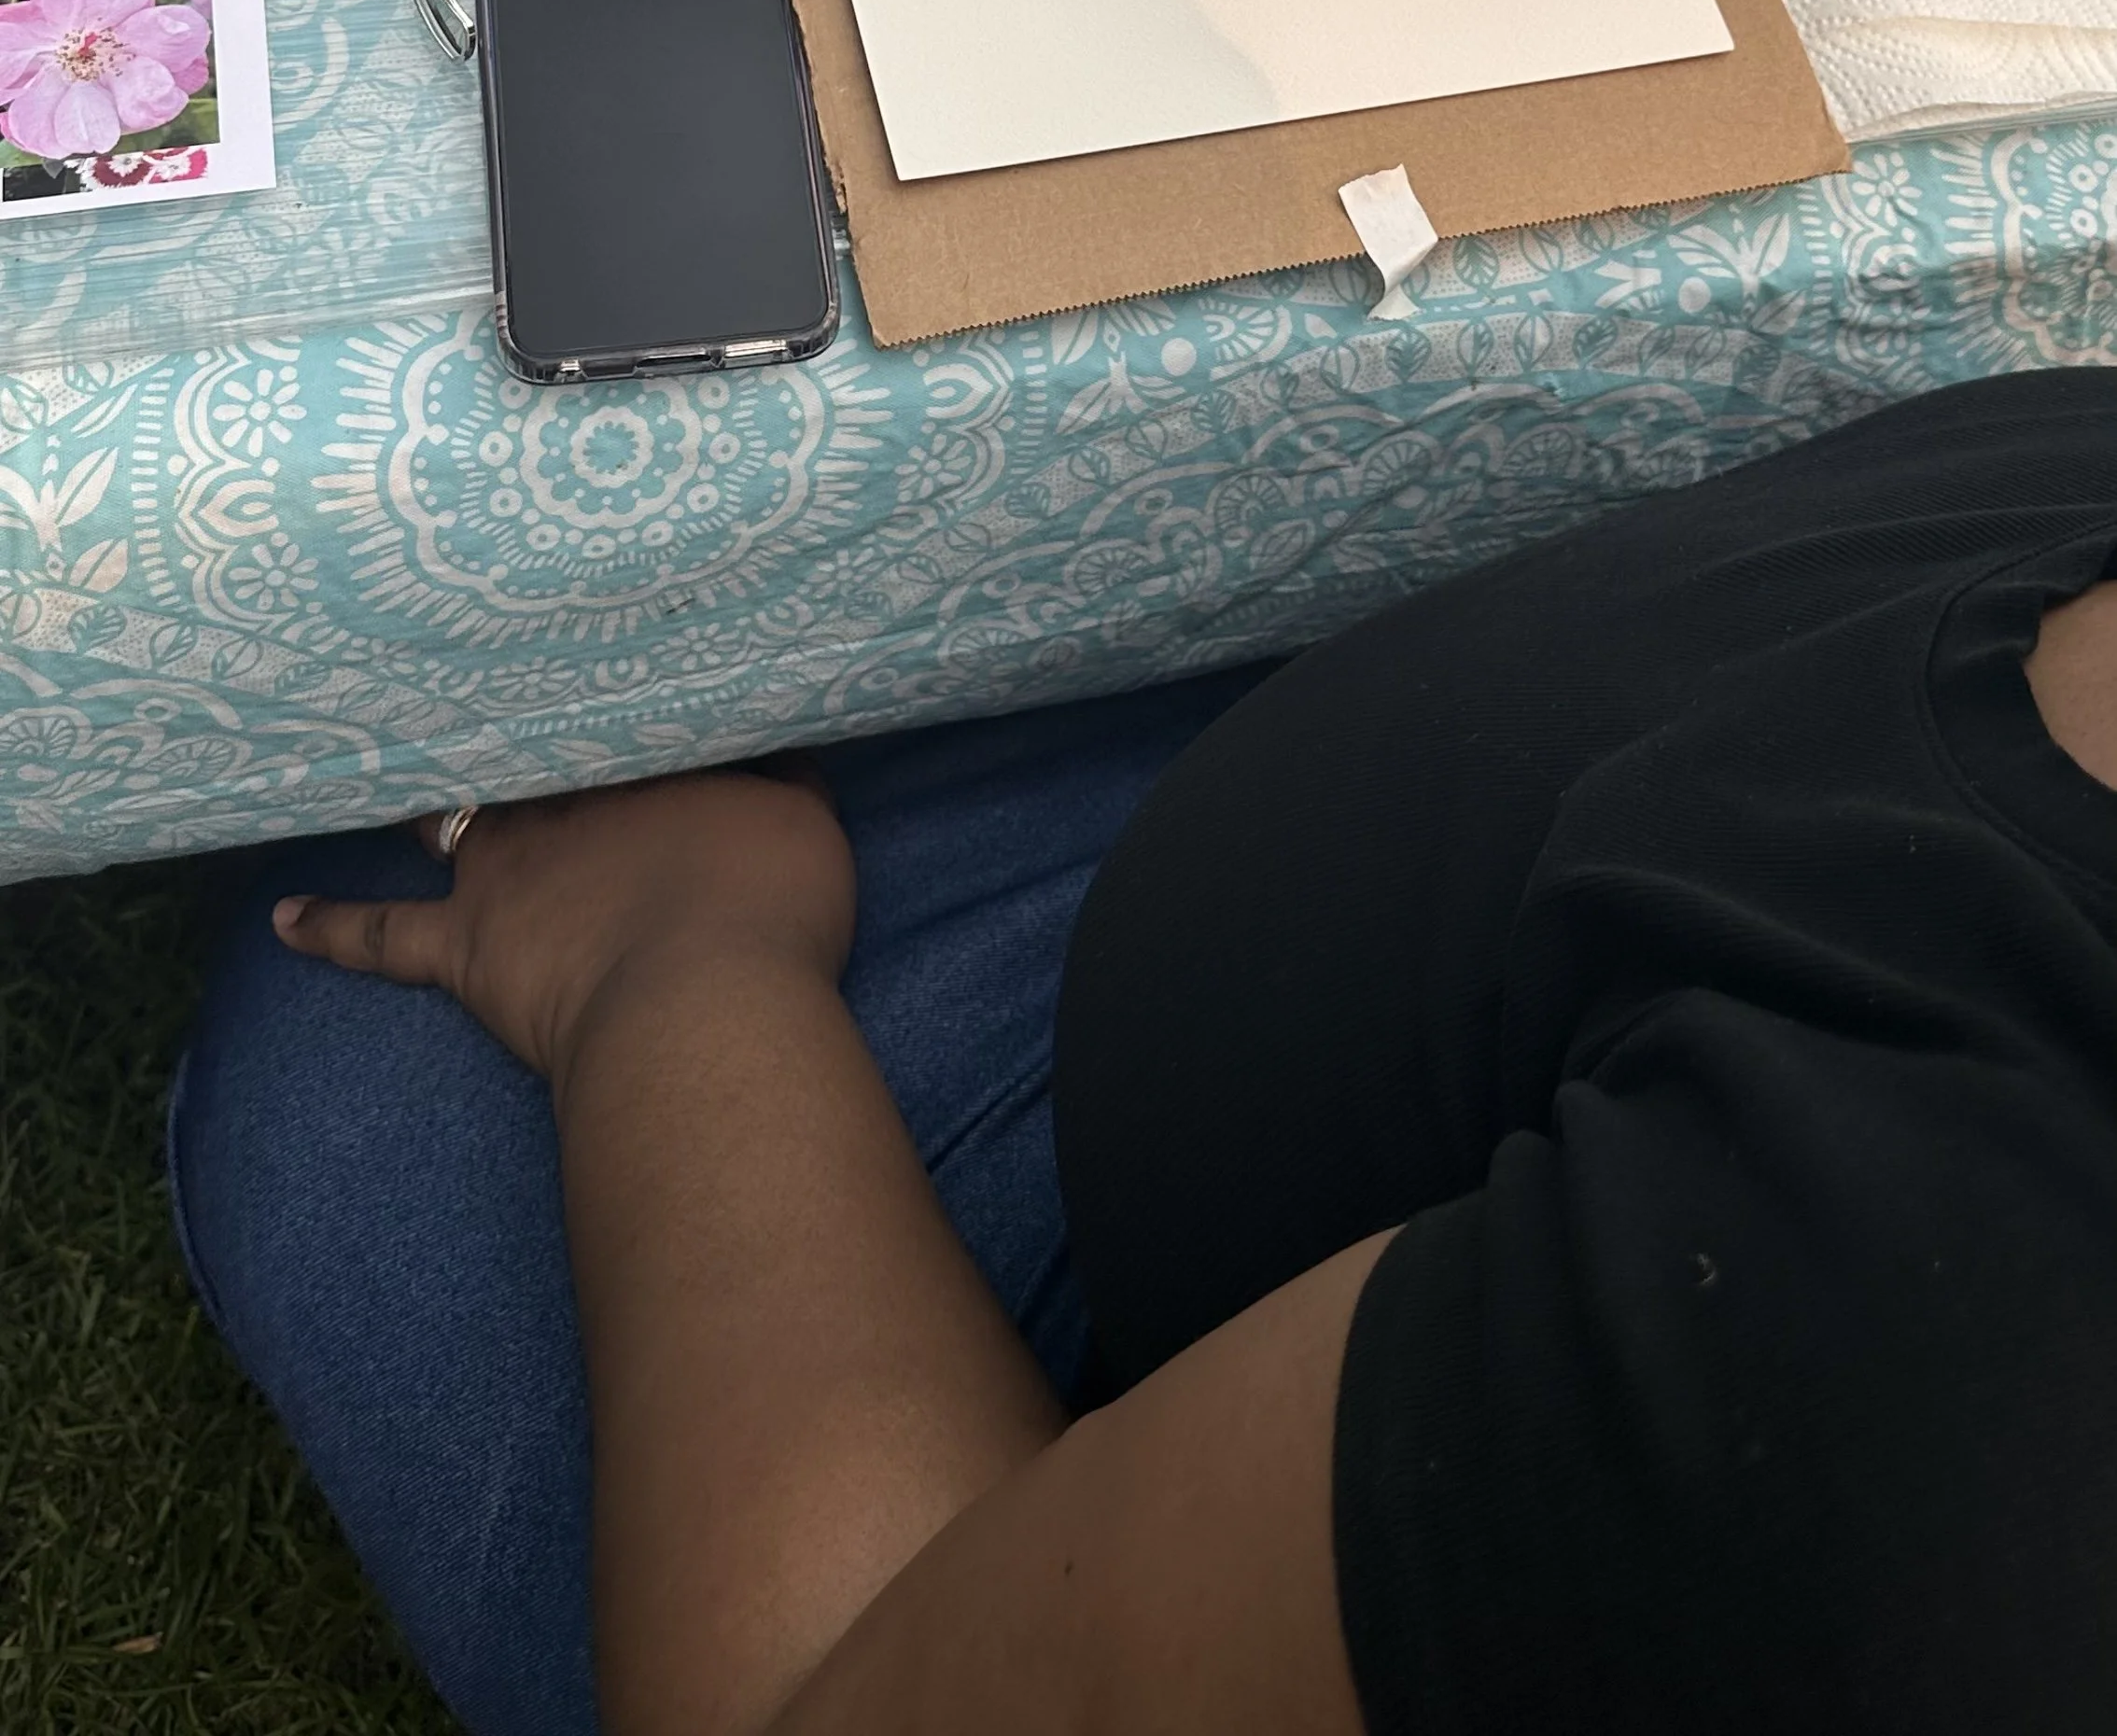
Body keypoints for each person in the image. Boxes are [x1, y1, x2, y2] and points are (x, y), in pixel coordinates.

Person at [171, 366, 2117, 1736]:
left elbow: (834, 1691)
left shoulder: (1935, 1370)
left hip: (1070, 1416)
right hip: (1450, 861)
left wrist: (671, 969)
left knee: (349, 1033)